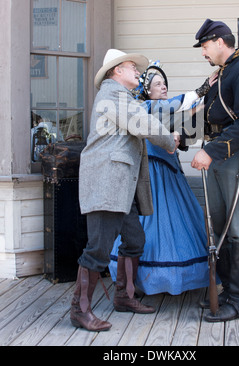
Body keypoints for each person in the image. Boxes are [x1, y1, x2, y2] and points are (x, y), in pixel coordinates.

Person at [70, 49, 177, 332]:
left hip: (120, 187)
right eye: (132, 67)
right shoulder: (112, 95)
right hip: (107, 184)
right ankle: (80, 311)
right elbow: (143, 124)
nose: (138, 72)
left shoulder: (122, 97)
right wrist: (170, 140)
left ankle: (124, 297)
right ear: (116, 71)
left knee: (134, 240)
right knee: (98, 250)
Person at [109, 62, 218, 295]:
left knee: (180, 224)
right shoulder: (144, 107)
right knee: (154, 226)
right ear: (147, 90)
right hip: (152, 177)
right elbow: (170, 109)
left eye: (165, 83)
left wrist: (204, 108)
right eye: (158, 84)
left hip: (172, 176)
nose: (164, 87)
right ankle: (142, 281)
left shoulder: (167, 111)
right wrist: (201, 90)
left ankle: (182, 275)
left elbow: (189, 124)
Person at [191, 19, 239, 322]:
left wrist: (211, 150)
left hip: (235, 156)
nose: (203, 53)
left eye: (205, 46)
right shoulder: (224, 73)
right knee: (221, 228)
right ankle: (227, 291)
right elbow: (210, 117)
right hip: (219, 158)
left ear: (220, 42)